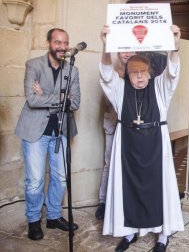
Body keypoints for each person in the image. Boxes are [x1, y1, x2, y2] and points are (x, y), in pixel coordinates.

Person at [100, 25, 184, 252]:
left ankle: (163, 236)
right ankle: (129, 233)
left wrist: (174, 47)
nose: (139, 77)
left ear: (150, 72)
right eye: (134, 73)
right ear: (127, 74)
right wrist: (106, 46)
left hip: (156, 145)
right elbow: (106, 75)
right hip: (127, 146)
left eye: (142, 72)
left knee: (160, 189)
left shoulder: (159, 87)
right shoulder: (120, 89)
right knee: (128, 188)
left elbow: (173, 72)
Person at [15, 28, 81, 240]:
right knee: (34, 181)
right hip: (35, 131)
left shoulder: (72, 70)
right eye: (57, 42)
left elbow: (75, 103)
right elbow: (32, 101)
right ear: (48, 43)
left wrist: (47, 96)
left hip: (60, 131)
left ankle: (53, 216)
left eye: (65, 43)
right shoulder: (33, 65)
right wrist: (60, 100)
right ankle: (34, 220)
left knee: (60, 178)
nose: (62, 47)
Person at [95, 25, 136, 220]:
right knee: (109, 163)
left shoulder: (140, 72)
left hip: (133, 128)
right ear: (118, 52)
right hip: (114, 123)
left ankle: (124, 201)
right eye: (123, 49)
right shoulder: (111, 71)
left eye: (130, 49)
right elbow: (109, 96)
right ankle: (103, 202)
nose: (127, 53)